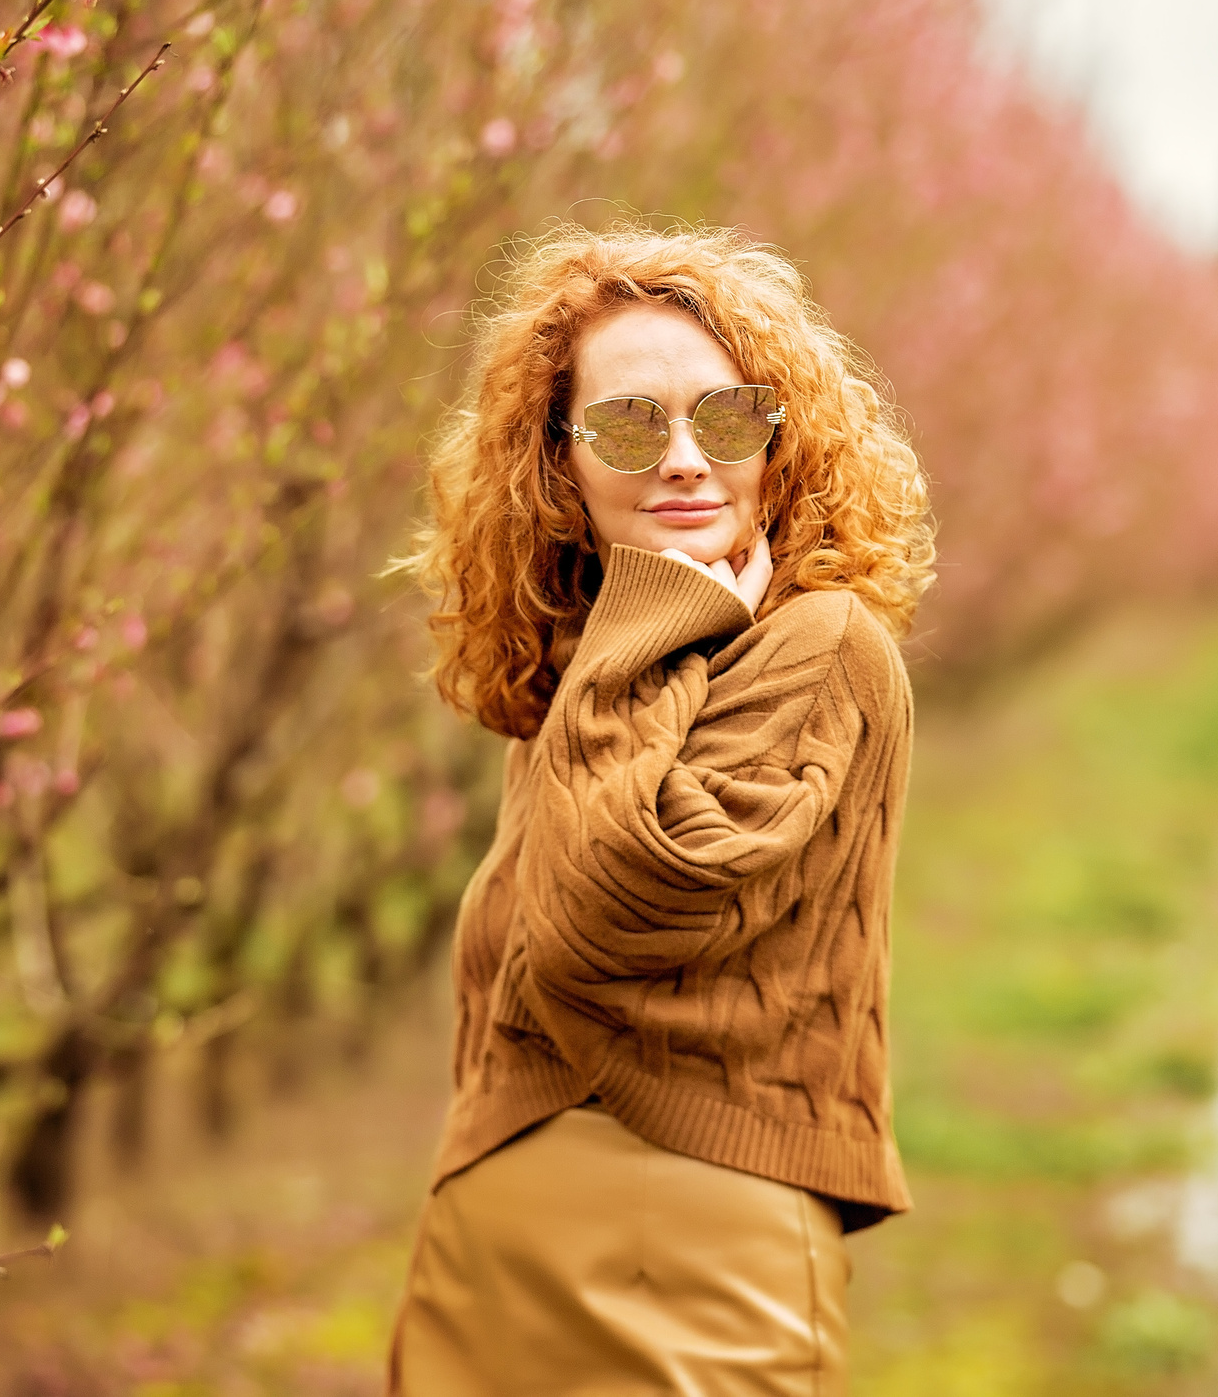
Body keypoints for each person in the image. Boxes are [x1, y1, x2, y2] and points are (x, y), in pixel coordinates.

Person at [392, 222, 935, 1394]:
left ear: (780, 440)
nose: (685, 460)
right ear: (559, 462)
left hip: (696, 1261)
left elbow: (612, 911)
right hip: (491, 1250)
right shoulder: (596, 663)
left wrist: (647, 618)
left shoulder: (820, 644)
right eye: (630, 426)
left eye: (728, 418)